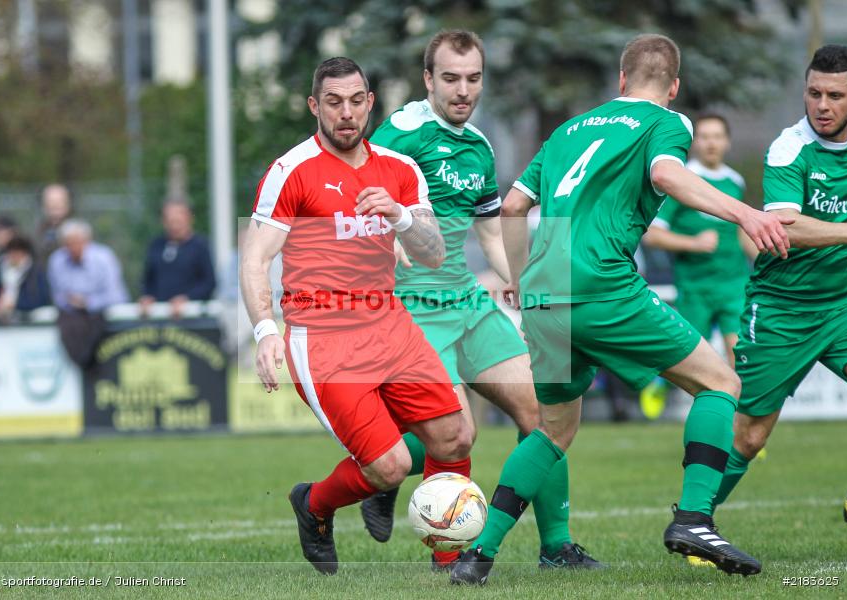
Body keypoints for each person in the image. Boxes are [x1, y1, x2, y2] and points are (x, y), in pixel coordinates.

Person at [450, 33, 791, 584]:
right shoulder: (668, 122)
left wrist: (517, 279)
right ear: (674, 86)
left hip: (544, 289)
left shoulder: (566, 130)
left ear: (621, 80)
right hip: (601, 284)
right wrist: (745, 214)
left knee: (554, 429)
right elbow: (664, 174)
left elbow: (512, 206)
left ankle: (478, 555)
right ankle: (696, 519)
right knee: (720, 385)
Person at [363, 29, 599, 570]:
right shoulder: (403, 132)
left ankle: (556, 546)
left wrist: (521, 279)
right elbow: (361, 198)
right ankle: (401, 498)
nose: (463, 90)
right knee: (449, 431)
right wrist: (387, 244)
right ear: (428, 80)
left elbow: (491, 233)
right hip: (413, 307)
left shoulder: (480, 145)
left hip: (468, 302)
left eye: (473, 79)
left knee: (543, 409)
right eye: (450, 78)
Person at [240, 57, 473, 575]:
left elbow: (433, 253)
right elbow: (255, 258)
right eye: (333, 102)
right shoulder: (291, 171)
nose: (346, 113)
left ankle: (451, 561)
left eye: (355, 101)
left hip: (388, 323)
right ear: (314, 106)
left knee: (454, 437)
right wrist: (264, 331)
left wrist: (400, 214)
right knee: (391, 467)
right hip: (321, 335)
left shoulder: (399, 170)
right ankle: (314, 504)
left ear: (370, 102)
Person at [711, 44, 847, 529]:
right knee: (750, 436)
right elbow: (786, 229)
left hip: (844, 306)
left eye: (835, 95)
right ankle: (696, 520)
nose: (822, 105)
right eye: (814, 93)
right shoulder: (789, 146)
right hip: (782, 309)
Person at [639, 114, 758, 420]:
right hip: (695, 286)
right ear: (695, 143)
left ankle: (737, 432)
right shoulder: (681, 180)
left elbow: (742, 231)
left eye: (717, 136)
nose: (711, 143)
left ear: (727, 141)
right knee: (692, 362)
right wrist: (694, 243)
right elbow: (652, 234)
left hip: (734, 284)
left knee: (738, 355)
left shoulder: (735, 182)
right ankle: (658, 384)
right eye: (704, 136)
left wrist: (765, 256)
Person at [48, 219, 129, 367]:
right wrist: (70, 302)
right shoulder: (57, 260)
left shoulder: (104, 258)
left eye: (77, 242)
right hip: (72, 318)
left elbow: (118, 296)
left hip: (102, 319)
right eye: (68, 243)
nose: (73, 248)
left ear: (87, 241)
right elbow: (57, 296)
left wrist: (89, 302)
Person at [139, 200, 216, 318]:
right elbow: (147, 280)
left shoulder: (200, 246)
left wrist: (187, 299)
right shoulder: (156, 245)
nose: (174, 225)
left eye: (178, 220)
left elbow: (209, 283)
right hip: (159, 318)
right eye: (170, 220)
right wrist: (148, 296)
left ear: (189, 218)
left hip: (192, 320)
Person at [0, 235, 50, 323]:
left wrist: (15, 304)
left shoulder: (35, 273)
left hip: (27, 322)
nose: (14, 256)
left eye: (18, 253)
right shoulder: (0, 270)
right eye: (11, 252)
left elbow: (40, 300)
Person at [36, 183, 73, 266]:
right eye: (50, 201)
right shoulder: (38, 230)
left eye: (59, 201)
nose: (54, 205)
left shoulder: (76, 230)